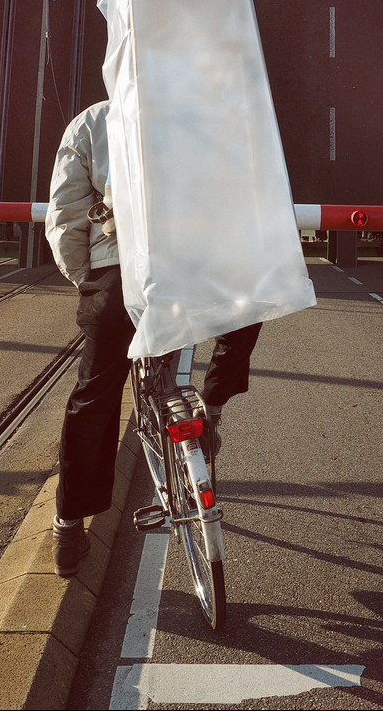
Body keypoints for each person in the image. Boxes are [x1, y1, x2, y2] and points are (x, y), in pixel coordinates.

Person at [43, 99, 262, 577]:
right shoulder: (203, 106)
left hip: (118, 275)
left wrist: (91, 283)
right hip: (193, 269)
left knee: (94, 391)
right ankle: (214, 404)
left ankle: (68, 524)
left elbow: (64, 215)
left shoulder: (91, 122)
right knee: (250, 308)